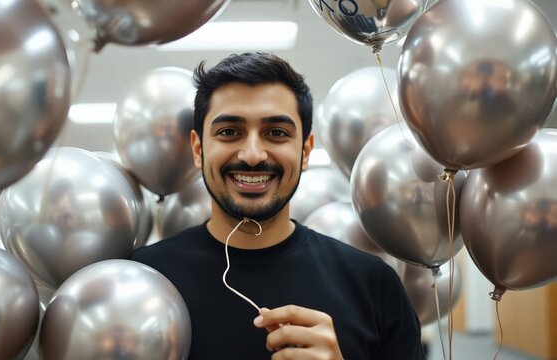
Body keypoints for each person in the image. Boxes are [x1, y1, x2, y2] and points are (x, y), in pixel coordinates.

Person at [131, 52, 425, 359]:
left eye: (277, 133)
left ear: (306, 151)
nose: (253, 154)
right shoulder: (144, 281)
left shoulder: (373, 285)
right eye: (229, 132)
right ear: (198, 149)